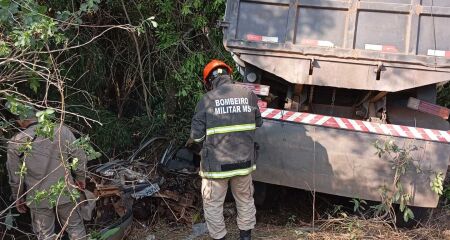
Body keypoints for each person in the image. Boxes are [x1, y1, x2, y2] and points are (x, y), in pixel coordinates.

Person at [187, 59, 263, 240]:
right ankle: (245, 237)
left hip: (216, 167)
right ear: (229, 75)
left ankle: (220, 237)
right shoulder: (248, 94)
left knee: (213, 204)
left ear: (209, 81)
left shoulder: (206, 100)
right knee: (245, 199)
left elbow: (196, 137)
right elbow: (258, 123)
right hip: (244, 163)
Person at [6, 111, 88, 240]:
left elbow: (15, 176)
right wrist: (80, 178)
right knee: (75, 228)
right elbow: (80, 156)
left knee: (45, 235)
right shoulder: (61, 131)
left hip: (38, 197)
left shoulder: (16, 142)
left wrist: (18, 196)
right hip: (65, 191)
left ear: (21, 121)